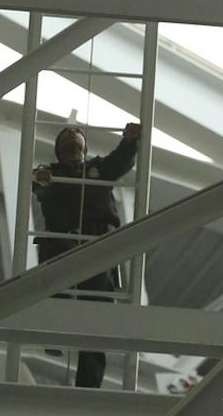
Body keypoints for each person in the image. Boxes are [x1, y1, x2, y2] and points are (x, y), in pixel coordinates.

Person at [32, 121, 141, 391]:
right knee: (57, 289)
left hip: (97, 247)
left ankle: (89, 386)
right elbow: (38, 184)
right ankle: (54, 336)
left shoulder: (97, 169)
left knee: (96, 317)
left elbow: (119, 162)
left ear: (85, 147)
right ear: (58, 150)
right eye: (67, 136)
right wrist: (41, 181)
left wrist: (129, 141)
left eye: (77, 134)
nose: (73, 135)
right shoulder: (50, 173)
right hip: (62, 245)